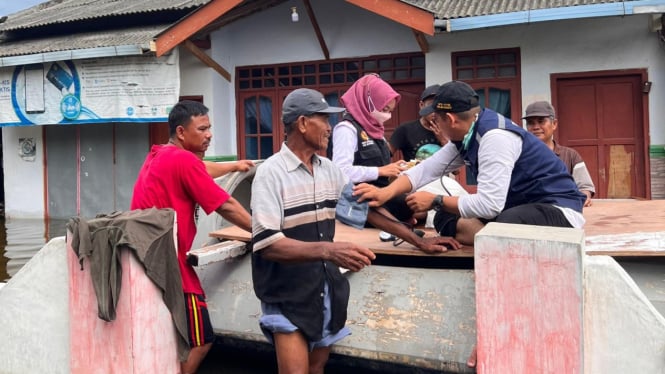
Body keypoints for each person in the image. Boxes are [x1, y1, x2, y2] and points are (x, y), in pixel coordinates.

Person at [354, 80, 586, 247]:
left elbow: (489, 205)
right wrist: (385, 193)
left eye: (436, 121)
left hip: (557, 210)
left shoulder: (495, 138)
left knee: (504, 222)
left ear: (451, 120)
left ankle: (492, 239)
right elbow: (425, 169)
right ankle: (491, 239)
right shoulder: (466, 135)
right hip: (516, 207)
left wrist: (435, 200)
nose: (434, 127)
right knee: (445, 218)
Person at [250, 88, 376, 374]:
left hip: (323, 287)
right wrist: (329, 250)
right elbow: (268, 244)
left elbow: (368, 206)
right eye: (323, 119)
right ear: (303, 123)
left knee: (317, 369)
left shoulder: (329, 169)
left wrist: (416, 238)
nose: (329, 128)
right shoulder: (271, 173)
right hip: (287, 292)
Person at [130, 100, 251, 374]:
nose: (209, 134)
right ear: (182, 132)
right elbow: (225, 205)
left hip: (145, 259)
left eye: (210, 128)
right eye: (203, 129)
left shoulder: (161, 154)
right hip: (171, 266)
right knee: (202, 339)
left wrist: (234, 166)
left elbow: (202, 169)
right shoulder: (183, 160)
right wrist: (264, 230)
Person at [331, 74, 460, 253]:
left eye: (390, 110)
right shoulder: (346, 130)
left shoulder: (375, 130)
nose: (388, 115)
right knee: (412, 204)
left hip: (382, 194)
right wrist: (379, 171)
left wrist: (395, 170)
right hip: (361, 199)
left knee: (420, 201)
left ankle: (405, 227)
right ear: (368, 103)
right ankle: (400, 229)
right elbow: (339, 172)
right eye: (384, 109)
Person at [523, 100, 595, 207]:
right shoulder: (520, 156)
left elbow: (585, 187)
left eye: (541, 121)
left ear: (554, 124)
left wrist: (584, 197)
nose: (536, 127)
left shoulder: (570, 155)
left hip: (562, 213)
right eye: (531, 123)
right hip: (529, 213)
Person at [390, 84, 448, 162]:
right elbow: (385, 155)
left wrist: (443, 140)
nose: (435, 111)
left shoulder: (449, 129)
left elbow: (456, 170)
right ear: (421, 105)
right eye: (431, 105)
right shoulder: (405, 129)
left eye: (439, 106)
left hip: (442, 174)